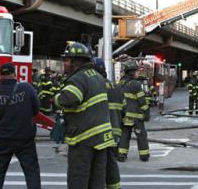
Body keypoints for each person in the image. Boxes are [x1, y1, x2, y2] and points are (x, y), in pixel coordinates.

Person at [54, 42, 115, 189]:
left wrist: (56, 98)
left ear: (75, 61)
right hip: (101, 138)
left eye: (67, 60)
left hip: (84, 139)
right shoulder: (98, 77)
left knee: (78, 179)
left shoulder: (78, 78)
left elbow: (68, 98)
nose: (65, 64)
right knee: (97, 180)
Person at [0, 63, 41, 189]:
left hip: (2, 138)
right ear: (14, 74)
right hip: (25, 138)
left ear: (0, 75)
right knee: (31, 171)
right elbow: (36, 109)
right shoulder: (27, 88)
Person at [93, 57, 122, 189]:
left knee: (98, 167)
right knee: (111, 164)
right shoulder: (115, 87)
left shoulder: (95, 85)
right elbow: (124, 108)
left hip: (99, 133)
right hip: (114, 133)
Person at [117, 59, 150, 162]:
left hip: (125, 117)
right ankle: (144, 156)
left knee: (125, 135)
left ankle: (121, 155)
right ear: (132, 72)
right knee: (141, 136)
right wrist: (146, 112)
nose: (138, 73)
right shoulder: (135, 84)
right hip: (136, 117)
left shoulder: (120, 84)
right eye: (136, 71)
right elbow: (142, 101)